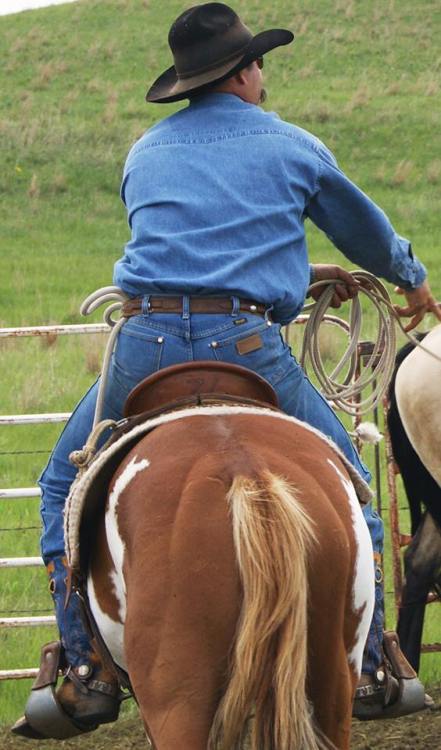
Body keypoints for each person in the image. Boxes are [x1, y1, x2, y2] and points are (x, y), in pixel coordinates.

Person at [13, 2, 441, 739]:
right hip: (248, 344)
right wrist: (408, 278)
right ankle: (373, 662)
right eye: (259, 64)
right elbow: (367, 231)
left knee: (62, 485)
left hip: (144, 342)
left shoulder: (145, 151)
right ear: (244, 71)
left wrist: (291, 269)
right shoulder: (295, 147)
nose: (262, 75)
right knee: (348, 481)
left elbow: (194, 245)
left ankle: (82, 669)